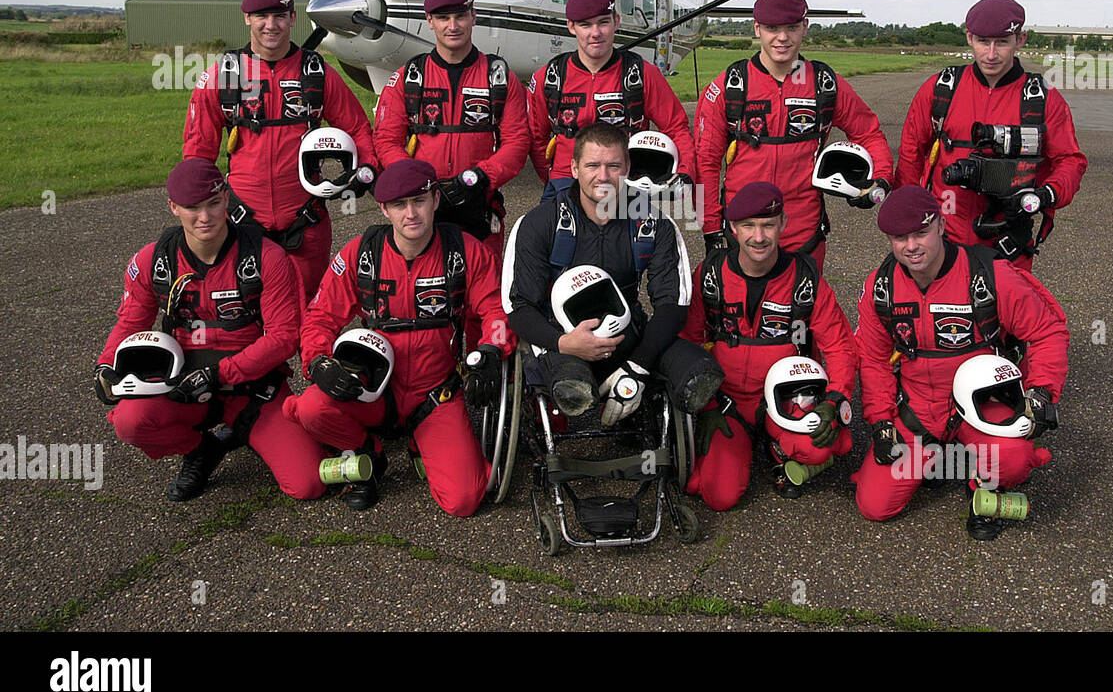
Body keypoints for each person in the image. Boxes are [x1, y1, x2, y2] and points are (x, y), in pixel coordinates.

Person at [283, 159, 514, 515]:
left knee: (465, 500)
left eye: (419, 201)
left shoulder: (466, 251)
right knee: (310, 407)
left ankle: (421, 442)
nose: (411, 214)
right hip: (373, 388)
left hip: (434, 393)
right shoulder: (361, 254)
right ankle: (367, 451)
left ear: (436, 200)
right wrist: (317, 361)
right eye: (399, 205)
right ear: (384, 209)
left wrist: (491, 350)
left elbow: (495, 311)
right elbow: (320, 317)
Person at [93, 159, 326, 502]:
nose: (205, 217)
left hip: (253, 388)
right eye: (192, 208)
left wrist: (218, 374)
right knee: (130, 419)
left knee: (308, 484)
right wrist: (105, 365)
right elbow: (130, 323)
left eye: (214, 204)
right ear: (173, 206)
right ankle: (202, 449)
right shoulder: (152, 261)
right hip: (181, 386)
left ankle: (248, 430)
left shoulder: (268, 257)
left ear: (227, 198)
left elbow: (284, 338)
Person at [852, 186, 1069, 539]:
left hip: (984, 403)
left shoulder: (990, 274)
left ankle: (982, 479)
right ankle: (942, 458)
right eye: (900, 237)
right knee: (875, 506)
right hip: (920, 407)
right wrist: (879, 420)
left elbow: (1049, 331)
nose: (912, 246)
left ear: (940, 224)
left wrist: (1042, 393)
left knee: (1011, 461)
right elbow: (873, 360)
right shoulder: (881, 287)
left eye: (921, 232)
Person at [503, 122, 721, 426]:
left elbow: (673, 305)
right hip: (562, 340)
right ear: (575, 168)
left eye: (613, 165)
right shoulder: (538, 223)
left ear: (628, 168)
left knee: (701, 372)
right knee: (573, 389)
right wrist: (565, 343)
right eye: (593, 165)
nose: (603, 176)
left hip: (627, 334)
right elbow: (519, 307)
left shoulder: (654, 224)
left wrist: (638, 367)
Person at [182, 0, 379, 299]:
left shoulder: (316, 73)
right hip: (240, 223)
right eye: (261, 16)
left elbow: (358, 129)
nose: (270, 25)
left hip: (305, 224)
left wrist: (366, 170)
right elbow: (197, 156)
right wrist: (198, 214)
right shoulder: (223, 75)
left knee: (305, 317)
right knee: (242, 320)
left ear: (293, 19)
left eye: (279, 16)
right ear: (247, 18)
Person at [682, 182, 858, 510]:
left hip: (789, 395)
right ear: (733, 228)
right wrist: (703, 405)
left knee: (828, 444)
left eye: (767, 225)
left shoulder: (806, 279)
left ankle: (777, 448)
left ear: (783, 224)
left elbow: (840, 347)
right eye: (748, 226)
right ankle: (746, 447)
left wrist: (835, 399)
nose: (759, 237)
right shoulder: (710, 276)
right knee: (719, 496)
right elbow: (687, 342)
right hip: (726, 401)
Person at [693, 0, 894, 270]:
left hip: (804, 234)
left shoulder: (825, 84)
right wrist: (711, 229)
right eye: (773, 28)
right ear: (757, 28)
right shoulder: (729, 86)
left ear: (805, 27)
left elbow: (869, 133)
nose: (783, 37)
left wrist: (880, 179)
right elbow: (706, 162)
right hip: (743, 232)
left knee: (804, 312)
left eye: (792, 27)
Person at [895, 0, 1087, 270]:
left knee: (1011, 313)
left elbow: (1071, 161)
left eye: (1002, 42)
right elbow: (911, 152)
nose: (992, 54)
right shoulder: (941, 90)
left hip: (1008, 241)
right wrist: (908, 218)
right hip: (941, 239)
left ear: (1020, 40)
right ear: (970, 38)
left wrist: (1045, 195)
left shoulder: (1043, 99)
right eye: (984, 41)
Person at [372, 0, 530, 258]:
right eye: (443, 18)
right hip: (422, 207)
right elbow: (385, 139)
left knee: (482, 293)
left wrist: (482, 177)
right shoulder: (409, 78)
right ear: (429, 21)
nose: (453, 26)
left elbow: (517, 142)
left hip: (478, 204)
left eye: (460, 16)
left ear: (474, 17)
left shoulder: (500, 78)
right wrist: (416, 182)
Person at [526, 0, 696, 202]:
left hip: (626, 187)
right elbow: (536, 140)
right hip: (565, 184)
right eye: (585, 25)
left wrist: (684, 173)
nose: (595, 33)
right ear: (571, 26)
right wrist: (552, 178)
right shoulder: (548, 78)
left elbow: (677, 128)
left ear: (616, 21)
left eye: (603, 23)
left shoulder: (642, 74)